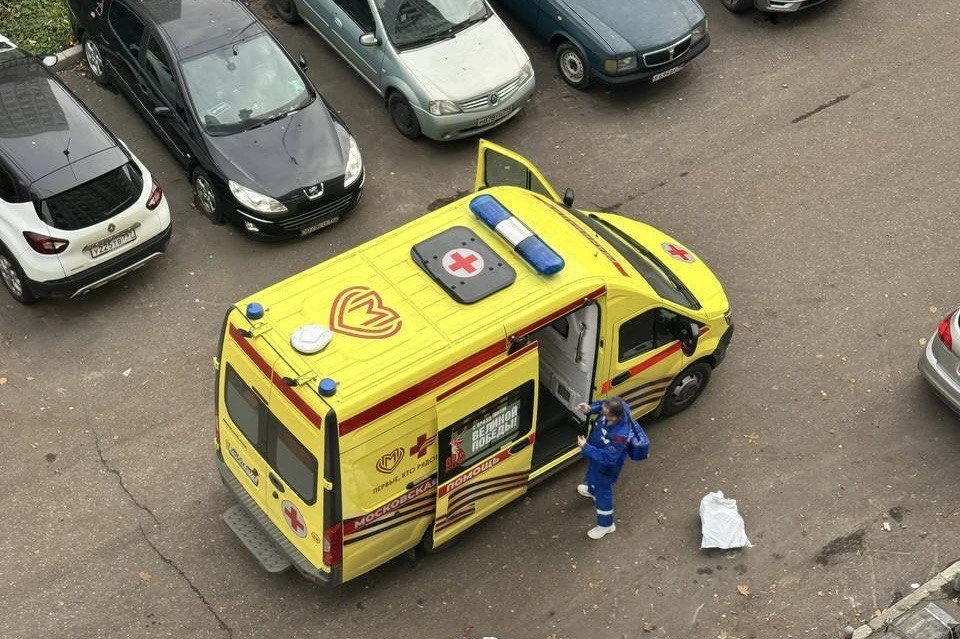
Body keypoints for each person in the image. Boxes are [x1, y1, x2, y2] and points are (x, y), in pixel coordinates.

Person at [575, 399, 631, 539]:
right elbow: (601, 406)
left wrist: (585, 447)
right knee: (592, 475)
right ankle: (591, 490)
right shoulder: (615, 406)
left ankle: (606, 525)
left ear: (614, 416)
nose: (601, 413)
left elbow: (608, 457)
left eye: (605, 414)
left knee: (603, 492)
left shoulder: (620, 435)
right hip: (596, 457)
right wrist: (589, 409)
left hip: (606, 466)